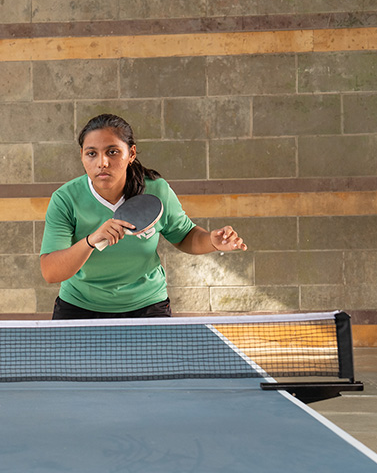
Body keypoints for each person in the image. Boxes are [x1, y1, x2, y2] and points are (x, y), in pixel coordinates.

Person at [40, 113, 246, 320]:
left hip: (146, 306)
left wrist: (212, 241)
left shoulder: (156, 190)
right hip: (80, 306)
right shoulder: (65, 199)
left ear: (131, 154)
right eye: (91, 153)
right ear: (82, 156)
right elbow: (51, 272)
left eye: (112, 152)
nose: (102, 162)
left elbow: (184, 236)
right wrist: (90, 241)